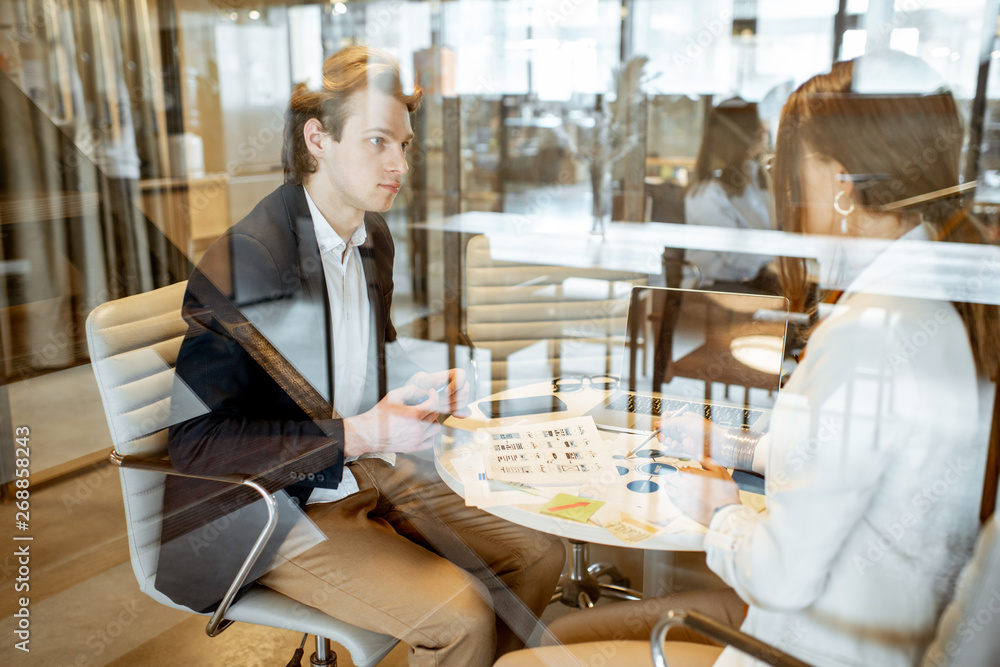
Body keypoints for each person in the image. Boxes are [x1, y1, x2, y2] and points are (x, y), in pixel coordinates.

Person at [495, 52, 998, 667]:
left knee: (522, 659)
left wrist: (716, 507)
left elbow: (780, 576)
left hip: (807, 646)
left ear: (841, 183)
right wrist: (730, 445)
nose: (780, 192)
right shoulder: (936, 305)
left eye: (790, 171)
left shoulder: (868, 334)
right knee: (559, 637)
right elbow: (848, 458)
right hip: (873, 633)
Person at [156, 46, 564, 667]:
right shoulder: (252, 259)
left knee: (539, 554)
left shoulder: (371, 236)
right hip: (279, 505)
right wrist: (359, 433)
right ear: (318, 139)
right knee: (460, 616)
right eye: (377, 141)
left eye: (404, 144)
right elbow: (197, 444)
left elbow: (367, 359)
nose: (399, 163)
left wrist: (418, 387)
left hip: (365, 467)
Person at [684, 99, 778, 293]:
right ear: (739, 135)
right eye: (757, 124)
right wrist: (780, 259)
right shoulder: (707, 193)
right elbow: (736, 256)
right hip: (718, 291)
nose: (764, 129)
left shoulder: (756, 179)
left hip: (755, 283)